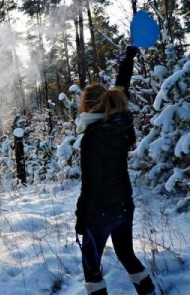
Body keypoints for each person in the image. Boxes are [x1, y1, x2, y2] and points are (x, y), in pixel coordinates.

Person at [75, 46, 156, 295]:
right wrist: (129, 58)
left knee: (92, 267)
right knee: (126, 254)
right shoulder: (120, 126)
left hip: (99, 211)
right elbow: (123, 87)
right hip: (123, 206)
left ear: (88, 107)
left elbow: (91, 183)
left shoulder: (93, 137)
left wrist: (81, 217)